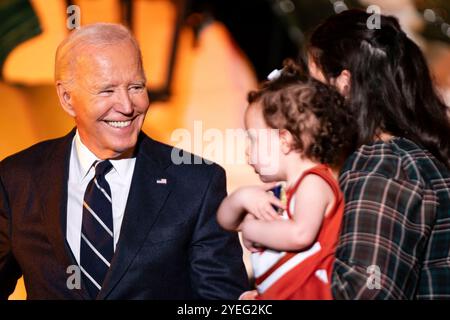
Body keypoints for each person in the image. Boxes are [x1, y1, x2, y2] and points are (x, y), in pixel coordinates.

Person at [0, 23, 248, 300]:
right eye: (107, 91)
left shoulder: (197, 183)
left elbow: (222, 301)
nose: (127, 106)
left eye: (136, 87)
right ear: (67, 98)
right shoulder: (17, 178)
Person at [307, 9, 450, 299]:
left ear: (343, 85)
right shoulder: (412, 158)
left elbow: (361, 294)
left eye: (313, 85)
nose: (306, 103)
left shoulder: (382, 166)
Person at [217, 59, 355, 299]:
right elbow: (227, 222)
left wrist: (251, 228)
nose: (248, 151)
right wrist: (241, 198)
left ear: (284, 140)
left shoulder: (315, 183)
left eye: (254, 139)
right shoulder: (280, 190)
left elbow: (300, 234)